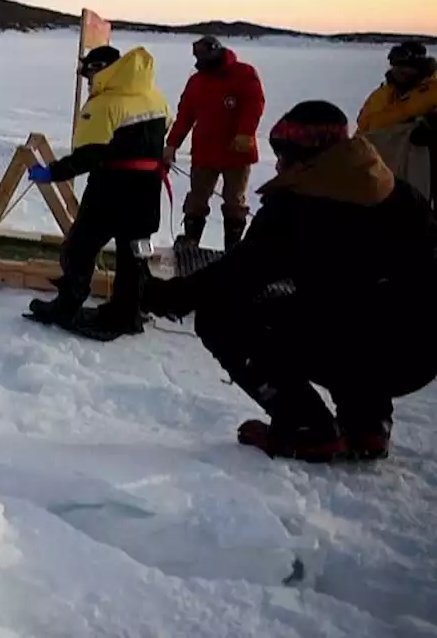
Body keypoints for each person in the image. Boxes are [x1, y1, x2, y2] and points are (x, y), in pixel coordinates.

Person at [142, 100, 437, 463]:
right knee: (349, 306)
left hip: (371, 348)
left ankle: (306, 427)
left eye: (284, 152)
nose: (278, 162)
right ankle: (367, 426)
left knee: (221, 316)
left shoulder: (299, 207)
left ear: (307, 153)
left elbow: (233, 279)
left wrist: (159, 294)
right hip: (420, 354)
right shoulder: (393, 189)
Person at [26, 45, 171, 336]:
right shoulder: (154, 95)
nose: (88, 81)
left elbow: (88, 156)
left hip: (112, 189)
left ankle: (67, 307)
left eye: (89, 74)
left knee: (79, 248)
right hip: (147, 189)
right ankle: (127, 314)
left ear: (100, 69)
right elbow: (165, 128)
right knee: (134, 254)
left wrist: (52, 172)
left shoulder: (104, 103)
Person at [164, 36, 266, 250]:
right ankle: (191, 240)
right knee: (197, 198)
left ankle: (233, 246)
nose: (199, 60)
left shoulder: (244, 74)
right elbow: (185, 116)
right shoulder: (197, 81)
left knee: (234, 201)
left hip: (236, 152)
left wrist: (245, 133)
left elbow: (254, 104)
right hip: (205, 151)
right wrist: (172, 144)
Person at [355, 41, 437, 205]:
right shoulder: (382, 94)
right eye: (395, 65)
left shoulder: (433, 92)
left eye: (405, 66)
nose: (399, 70)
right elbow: (364, 127)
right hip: (383, 169)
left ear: (419, 66)